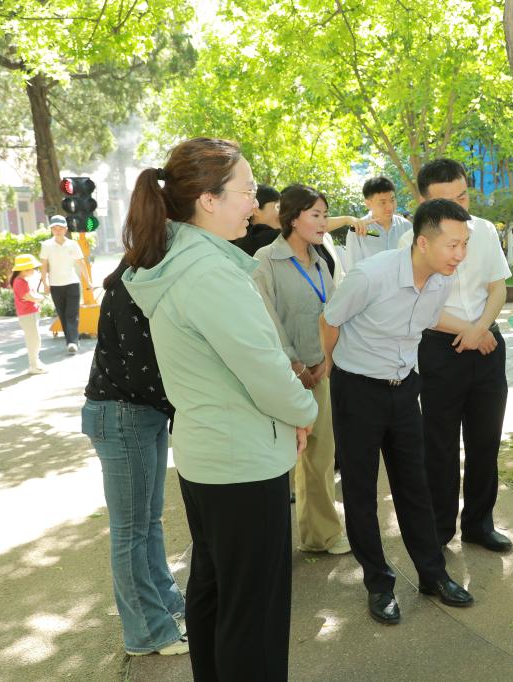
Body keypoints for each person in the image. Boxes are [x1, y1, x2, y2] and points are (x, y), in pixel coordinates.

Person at [124, 137, 318, 680]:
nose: (255, 205)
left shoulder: (182, 261)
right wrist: (304, 411)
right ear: (208, 200)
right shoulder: (209, 272)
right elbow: (264, 368)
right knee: (252, 613)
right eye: (247, 191)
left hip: (210, 457)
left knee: (216, 594)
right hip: (243, 462)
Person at [321, 199, 476, 625]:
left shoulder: (441, 280)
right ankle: (379, 583)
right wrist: (332, 369)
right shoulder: (370, 276)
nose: (460, 255)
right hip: (357, 390)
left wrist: (473, 327)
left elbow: (426, 322)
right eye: (452, 245)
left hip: (405, 389)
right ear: (423, 243)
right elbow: (329, 320)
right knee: (360, 491)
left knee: (415, 486)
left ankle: (433, 574)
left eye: (465, 244)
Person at [81, 259, 187, 658]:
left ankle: (168, 608)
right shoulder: (131, 287)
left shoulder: (145, 280)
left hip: (141, 412)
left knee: (148, 524)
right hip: (123, 414)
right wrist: (185, 408)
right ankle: (148, 633)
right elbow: (143, 371)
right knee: (131, 531)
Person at [413, 159, 513, 552]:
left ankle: (479, 524)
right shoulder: (413, 241)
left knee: (485, 442)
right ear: (424, 202)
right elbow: (419, 304)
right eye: (447, 201)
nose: (460, 208)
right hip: (439, 347)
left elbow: (498, 288)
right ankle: (439, 529)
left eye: (464, 196)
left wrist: (481, 328)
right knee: (438, 445)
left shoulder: (484, 230)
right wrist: (469, 331)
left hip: (487, 344)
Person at [253, 184, 350, 555]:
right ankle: (268, 546)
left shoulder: (321, 259)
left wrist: (325, 359)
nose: (324, 222)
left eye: (326, 215)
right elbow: (266, 318)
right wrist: (294, 363)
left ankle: (320, 535)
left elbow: (332, 311)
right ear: (293, 218)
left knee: (320, 456)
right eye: (316, 215)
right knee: (276, 458)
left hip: (320, 371)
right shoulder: (266, 259)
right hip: (281, 376)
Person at [39, 214, 92, 354]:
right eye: (55, 228)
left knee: (71, 314)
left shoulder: (73, 245)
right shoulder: (46, 245)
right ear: (51, 229)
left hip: (72, 283)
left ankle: (72, 342)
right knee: (62, 315)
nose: (58, 231)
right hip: (55, 285)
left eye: (60, 228)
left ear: (65, 229)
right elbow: (44, 266)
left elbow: (81, 263)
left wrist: (88, 281)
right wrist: (45, 283)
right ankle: (71, 340)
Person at [344, 176, 412, 268]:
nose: (390, 207)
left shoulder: (406, 226)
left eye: (392, 200)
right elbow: (352, 268)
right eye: (383, 202)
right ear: (368, 204)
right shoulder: (356, 230)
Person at [10, 254, 47, 374]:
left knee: (35, 339)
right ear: (24, 269)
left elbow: (30, 296)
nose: (33, 270)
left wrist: (37, 297)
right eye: (31, 268)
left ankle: (36, 363)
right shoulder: (20, 282)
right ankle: (33, 365)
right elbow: (29, 296)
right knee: (34, 340)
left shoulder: (22, 281)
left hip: (30, 314)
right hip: (27, 315)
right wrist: (40, 297)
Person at [231, 185, 281, 256]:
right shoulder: (267, 238)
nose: (284, 213)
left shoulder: (236, 239)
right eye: (278, 207)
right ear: (256, 210)